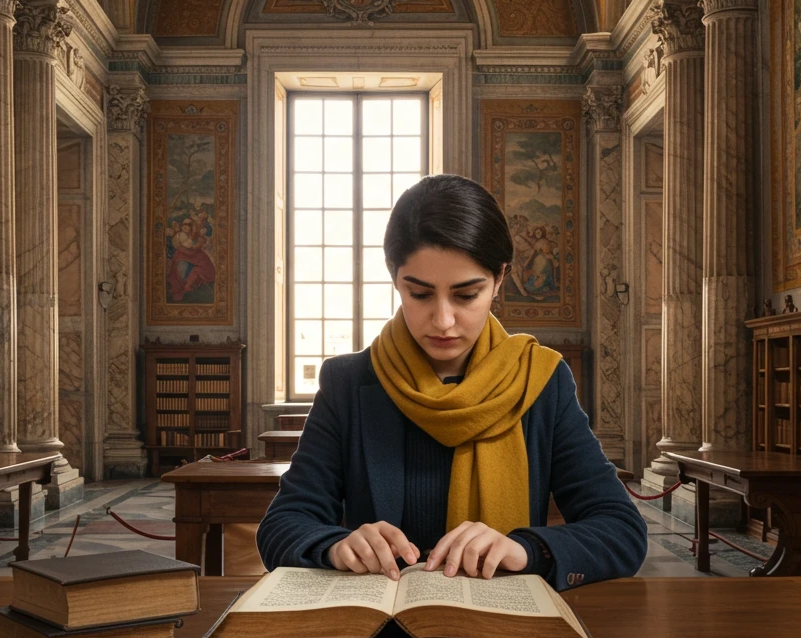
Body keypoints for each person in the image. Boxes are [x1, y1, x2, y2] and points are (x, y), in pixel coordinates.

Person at [257, 174, 648, 591]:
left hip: (500, 629)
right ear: (395, 279)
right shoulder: (348, 383)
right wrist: (335, 546)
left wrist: (526, 550)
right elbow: (282, 524)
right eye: (420, 295)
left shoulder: (541, 380)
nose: (443, 321)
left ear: (499, 279)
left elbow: (621, 530)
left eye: (466, 295)